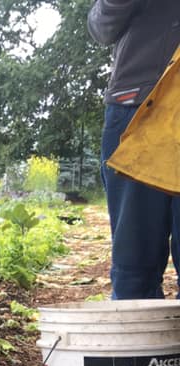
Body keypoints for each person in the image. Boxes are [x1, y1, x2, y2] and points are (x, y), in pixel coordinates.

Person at [88, 1, 180, 299]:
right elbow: (101, 27)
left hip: (136, 102)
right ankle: (136, 344)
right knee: (134, 268)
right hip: (137, 106)